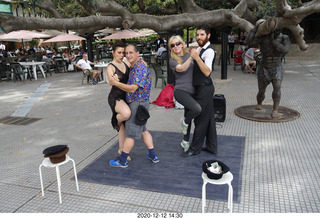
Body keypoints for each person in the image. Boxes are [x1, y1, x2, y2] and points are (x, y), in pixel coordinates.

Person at [109, 44, 159, 168]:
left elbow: (132, 89)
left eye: (131, 52)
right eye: (126, 53)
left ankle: (122, 160)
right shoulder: (134, 66)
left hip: (137, 104)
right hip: (141, 104)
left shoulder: (139, 68)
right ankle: (153, 155)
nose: (128, 55)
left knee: (130, 134)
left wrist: (116, 83)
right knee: (143, 130)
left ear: (138, 53)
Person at [181, 24, 217, 157]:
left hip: (204, 88)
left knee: (200, 120)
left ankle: (194, 149)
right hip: (200, 88)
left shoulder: (209, 51)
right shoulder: (200, 49)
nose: (199, 37)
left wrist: (197, 58)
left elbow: (207, 71)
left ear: (208, 35)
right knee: (208, 119)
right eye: (197, 35)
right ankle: (212, 146)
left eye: (202, 35)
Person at [246, 20, 291, 118]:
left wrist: (273, 42)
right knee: (261, 91)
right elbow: (248, 42)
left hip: (277, 66)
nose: (277, 30)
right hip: (264, 66)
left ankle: (275, 110)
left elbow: (285, 50)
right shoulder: (263, 37)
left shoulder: (284, 38)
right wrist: (255, 29)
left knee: (277, 87)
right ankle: (259, 103)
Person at [168, 35, 201, 152]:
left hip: (193, 91)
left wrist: (196, 53)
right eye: (172, 45)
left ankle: (185, 141)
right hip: (181, 91)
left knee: (189, 114)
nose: (175, 46)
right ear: (171, 48)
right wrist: (192, 57)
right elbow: (182, 68)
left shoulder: (189, 54)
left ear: (182, 44)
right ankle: (184, 121)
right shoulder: (172, 60)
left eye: (177, 43)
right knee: (196, 109)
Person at [106, 41, 131, 160]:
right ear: (113, 53)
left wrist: (143, 63)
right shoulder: (111, 67)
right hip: (115, 97)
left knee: (123, 127)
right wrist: (114, 81)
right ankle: (115, 120)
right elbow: (110, 80)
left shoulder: (126, 63)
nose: (121, 55)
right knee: (126, 114)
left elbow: (135, 67)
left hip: (126, 97)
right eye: (119, 53)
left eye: (123, 53)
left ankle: (121, 150)